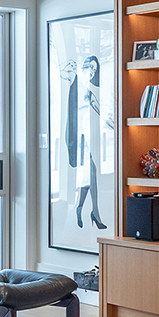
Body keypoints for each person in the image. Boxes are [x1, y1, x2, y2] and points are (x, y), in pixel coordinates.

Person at [66, 53, 108, 230]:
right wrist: (70, 64)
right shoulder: (75, 81)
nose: (92, 72)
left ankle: (83, 208)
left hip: (84, 138)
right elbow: (62, 71)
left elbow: (103, 114)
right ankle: (93, 212)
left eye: (94, 70)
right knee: (90, 174)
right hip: (77, 138)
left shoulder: (88, 92)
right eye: (90, 67)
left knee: (89, 176)